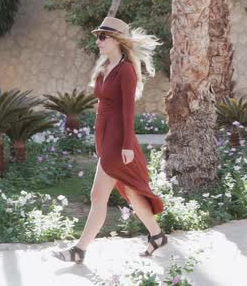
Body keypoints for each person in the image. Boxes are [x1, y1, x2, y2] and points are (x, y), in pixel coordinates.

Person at [52, 17, 167, 263]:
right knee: (132, 192)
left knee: (97, 196)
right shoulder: (105, 68)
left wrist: (126, 145)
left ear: (116, 40)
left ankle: (79, 250)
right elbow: (102, 105)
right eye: (98, 36)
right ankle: (156, 235)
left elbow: (127, 111)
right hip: (105, 137)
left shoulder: (126, 70)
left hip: (117, 139)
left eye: (103, 37)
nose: (98, 41)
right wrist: (99, 141)